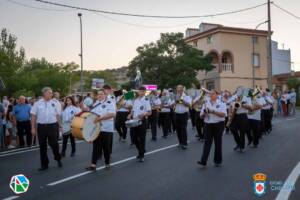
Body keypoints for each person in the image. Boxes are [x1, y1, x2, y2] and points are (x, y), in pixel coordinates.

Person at [31, 87, 62, 171]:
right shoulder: (37, 103)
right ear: (44, 93)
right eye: (49, 93)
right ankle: (44, 164)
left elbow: (58, 115)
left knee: (54, 144)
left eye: (51, 93)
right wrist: (33, 128)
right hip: (41, 127)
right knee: (42, 146)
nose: (51, 94)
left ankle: (58, 158)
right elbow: (33, 116)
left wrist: (60, 126)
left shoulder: (55, 103)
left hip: (53, 126)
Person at [86, 89, 116, 170]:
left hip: (106, 129)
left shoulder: (110, 103)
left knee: (106, 147)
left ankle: (107, 163)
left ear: (105, 95)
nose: (100, 95)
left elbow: (112, 114)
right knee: (96, 147)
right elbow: (92, 116)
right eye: (98, 94)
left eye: (102, 94)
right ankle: (93, 165)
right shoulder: (96, 103)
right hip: (97, 129)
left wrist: (99, 119)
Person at [197, 90, 226, 167]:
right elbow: (201, 116)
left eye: (213, 93)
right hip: (208, 124)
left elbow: (223, 114)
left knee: (218, 143)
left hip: (219, 124)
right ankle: (203, 161)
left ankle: (218, 161)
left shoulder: (221, 103)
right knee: (207, 143)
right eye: (210, 94)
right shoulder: (206, 103)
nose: (211, 95)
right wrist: (204, 113)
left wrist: (212, 111)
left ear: (217, 95)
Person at [127, 86, 151, 162]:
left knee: (142, 138)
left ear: (144, 92)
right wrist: (130, 114)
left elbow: (150, 112)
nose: (141, 92)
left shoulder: (146, 100)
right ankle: (142, 150)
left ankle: (141, 155)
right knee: (134, 138)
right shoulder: (136, 100)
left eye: (142, 91)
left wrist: (143, 114)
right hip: (134, 121)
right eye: (139, 91)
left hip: (142, 121)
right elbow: (133, 110)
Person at [173, 85, 192, 150]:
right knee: (178, 129)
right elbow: (173, 104)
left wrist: (182, 101)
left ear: (182, 89)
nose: (178, 89)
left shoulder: (186, 96)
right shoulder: (176, 96)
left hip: (184, 114)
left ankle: (184, 143)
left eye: (179, 88)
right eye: (177, 88)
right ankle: (180, 142)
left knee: (183, 129)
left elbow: (189, 105)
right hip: (177, 114)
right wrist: (175, 102)